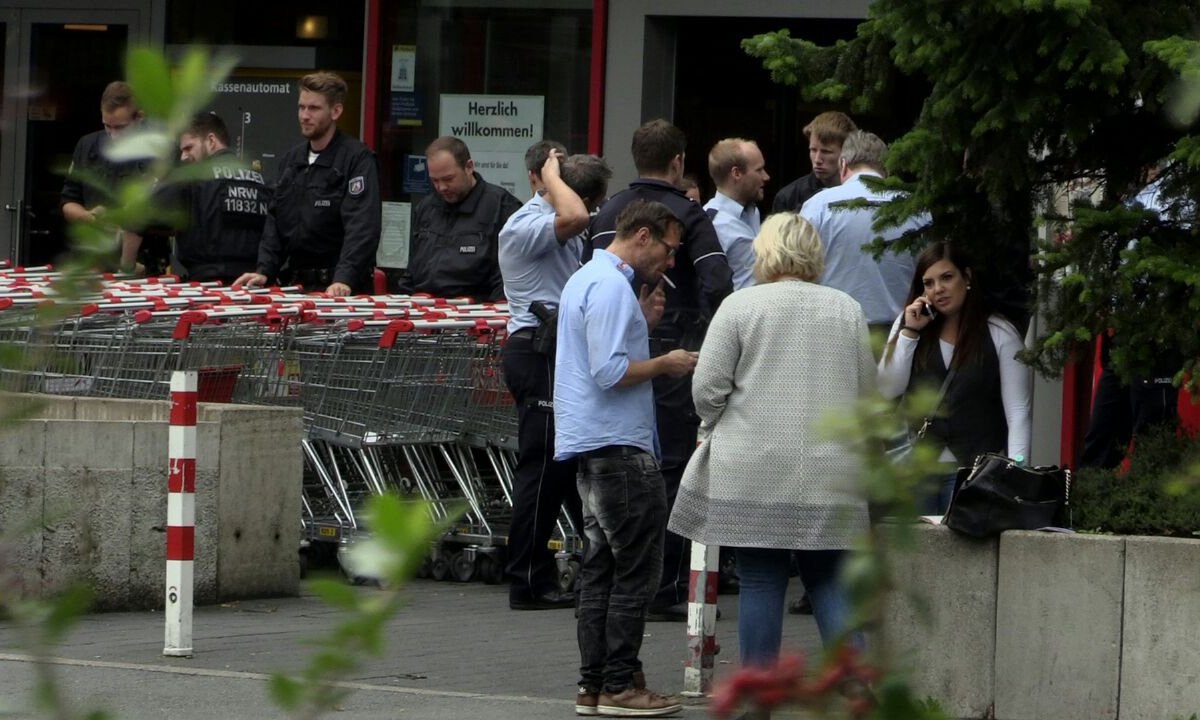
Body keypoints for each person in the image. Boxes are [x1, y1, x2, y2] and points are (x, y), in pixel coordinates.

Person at [668, 212, 872, 682]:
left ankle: (757, 691)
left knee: (761, 577)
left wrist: (719, 420)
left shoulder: (741, 306)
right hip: (831, 467)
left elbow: (706, 389)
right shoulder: (847, 309)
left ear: (764, 250)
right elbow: (865, 392)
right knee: (828, 577)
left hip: (752, 465)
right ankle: (858, 684)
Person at [588, 118, 733, 620]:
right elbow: (716, 280)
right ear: (677, 163)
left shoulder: (608, 210)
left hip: (618, 346)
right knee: (672, 465)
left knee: (619, 464)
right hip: (673, 349)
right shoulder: (688, 215)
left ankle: (613, 582)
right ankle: (664, 586)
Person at [556, 199, 695, 718]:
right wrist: (666, 361)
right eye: (668, 248)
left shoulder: (588, 278)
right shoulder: (613, 285)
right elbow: (611, 371)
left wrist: (641, 323)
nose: (670, 262)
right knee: (635, 572)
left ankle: (594, 685)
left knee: (600, 572)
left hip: (592, 447)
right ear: (642, 235)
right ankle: (619, 685)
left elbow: (603, 353)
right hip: (621, 450)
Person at [498, 148, 612, 610]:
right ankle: (526, 581)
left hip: (556, 351)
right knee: (542, 470)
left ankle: (563, 568)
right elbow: (578, 216)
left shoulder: (553, 216)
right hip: (535, 350)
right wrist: (550, 175)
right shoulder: (526, 225)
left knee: (561, 467)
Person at [877, 242, 1032, 513]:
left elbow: (1018, 412)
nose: (938, 289)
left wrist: (1015, 472)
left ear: (967, 278)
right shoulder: (909, 325)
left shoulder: (999, 332)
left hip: (974, 474)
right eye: (928, 283)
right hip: (919, 472)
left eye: (947, 278)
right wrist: (909, 334)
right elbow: (888, 389)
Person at [233, 72, 380, 296]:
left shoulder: (356, 159)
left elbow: (362, 226)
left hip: (340, 290)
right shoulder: (292, 161)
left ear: (336, 111)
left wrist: (344, 279)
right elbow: (275, 222)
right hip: (297, 286)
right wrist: (265, 269)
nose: (305, 115)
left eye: (314, 108)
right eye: (301, 107)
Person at [800, 130, 927, 329]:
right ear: (887, 169)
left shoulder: (818, 206)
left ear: (843, 165)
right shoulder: (916, 208)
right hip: (901, 330)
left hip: (832, 328)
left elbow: (799, 270)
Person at [400, 136, 522, 300]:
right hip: (423, 308)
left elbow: (508, 278)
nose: (442, 187)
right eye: (435, 181)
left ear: (469, 167)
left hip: (474, 313)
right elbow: (413, 270)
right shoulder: (426, 208)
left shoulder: (502, 207)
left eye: (449, 179)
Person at [156, 112, 267, 285]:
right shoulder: (259, 180)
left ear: (211, 141)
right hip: (252, 285)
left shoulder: (193, 177)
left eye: (188, 148)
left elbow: (138, 216)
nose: (183, 157)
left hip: (206, 287)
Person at [60, 80, 156, 273]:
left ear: (139, 118)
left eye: (120, 127)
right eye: (107, 126)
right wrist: (88, 216)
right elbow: (68, 203)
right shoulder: (87, 146)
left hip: (142, 263)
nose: (113, 135)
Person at [703, 138, 770, 290]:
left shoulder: (752, 212)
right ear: (737, 173)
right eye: (759, 170)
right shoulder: (713, 224)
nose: (766, 177)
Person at [771, 111, 857, 213]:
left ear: (847, 153)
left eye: (826, 151)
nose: (817, 160)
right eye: (813, 150)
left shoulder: (866, 194)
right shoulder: (788, 197)